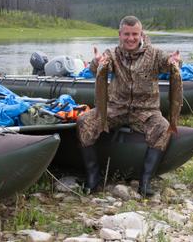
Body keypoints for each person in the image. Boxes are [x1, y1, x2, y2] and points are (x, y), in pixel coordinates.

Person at [76, 15, 183, 197]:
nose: (130, 38)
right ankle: (93, 177)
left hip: (146, 111)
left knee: (164, 128)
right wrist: (96, 62)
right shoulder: (113, 54)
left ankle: (145, 181)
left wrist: (175, 61)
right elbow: (97, 69)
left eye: (135, 34)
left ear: (141, 34)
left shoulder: (155, 54)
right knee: (84, 121)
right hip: (115, 108)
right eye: (127, 34)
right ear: (120, 34)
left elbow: (168, 63)